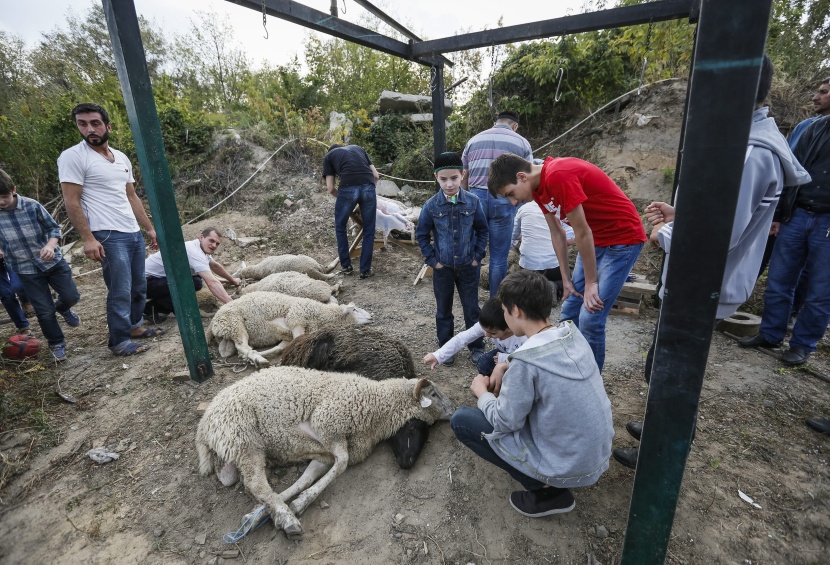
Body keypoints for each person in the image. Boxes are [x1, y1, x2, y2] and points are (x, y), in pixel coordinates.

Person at [615, 55, 811, 468]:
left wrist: (663, 233)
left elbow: (719, 234)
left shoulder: (750, 153)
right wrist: (679, 212)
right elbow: (722, 212)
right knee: (664, 365)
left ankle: (661, 453)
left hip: (704, 282)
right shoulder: (742, 141)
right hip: (701, 279)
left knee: (673, 372)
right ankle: (658, 430)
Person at [450, 270, 613, 517]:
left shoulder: (526, 362)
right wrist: (505, 364)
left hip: (569, 465)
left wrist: (482, 393)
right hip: (596, 456)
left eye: (504, 310)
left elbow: (505, 421)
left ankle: (546, 491)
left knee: (462, 420)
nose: (504, 315)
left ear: (515, 311)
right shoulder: (571, 334)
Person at [488, 153, 646, 371]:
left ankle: (590, 380)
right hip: (595, 240)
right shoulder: (539, 189)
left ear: (522, 176)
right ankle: (567, 367)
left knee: (591, 317)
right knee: (570, 308)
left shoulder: (558, 175)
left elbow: (582, 232)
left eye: (511, 194)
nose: (514, 202)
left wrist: (591, 283)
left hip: (621, 240)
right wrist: (566, 278)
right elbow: (558, 234)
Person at [58, 102, 161, 357]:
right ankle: (119, 340)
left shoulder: (121, 158)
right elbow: (71, 200)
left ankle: (135, 326)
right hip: (107, 234)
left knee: (139, 286)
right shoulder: (74, 156)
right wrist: (88, 238)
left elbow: (132, 196)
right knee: (120, 289)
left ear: (107, 126)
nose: (89, 129)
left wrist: (149, 229)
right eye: (82, 124)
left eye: (94, 123)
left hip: (131, 232)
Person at [738, 109, 830, 365]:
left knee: (821, 291)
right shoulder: (814, 128)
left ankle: (802, 345)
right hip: (798, 214)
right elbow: (790, 169)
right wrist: (778, 214)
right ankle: (770, 334)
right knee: (780, 279)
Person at [0, 168, 81, 362]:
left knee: (71, 296)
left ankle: (63, 307)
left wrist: (50, 245)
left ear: (13, 189)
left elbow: (54, 228)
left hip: (52, 262)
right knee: (43, 310)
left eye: (3, 196)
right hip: (25, 269)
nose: (0, 202)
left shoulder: (31, 206)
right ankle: (57, 343)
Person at [416, 152, 488, 366]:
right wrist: (432, 260)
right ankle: (446, 348)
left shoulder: (473, 202)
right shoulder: (431, 206)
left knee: (472, 308)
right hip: (443, 268)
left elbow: (483, 231)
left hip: (468, 267)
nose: (449, 184)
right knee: (443, 310)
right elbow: (421, 235)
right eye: (443, 179)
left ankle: (476, 346)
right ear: (436, 177)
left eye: (454, 178)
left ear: (462, 175)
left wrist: (477, 256)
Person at [462, 110, 534, 297]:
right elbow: (528, 178)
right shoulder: (521, 142)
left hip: (476, 198)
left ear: (496, 122)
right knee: (499, 258)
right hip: (504, 199)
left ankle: (471, 300)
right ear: (514, 125)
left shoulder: (474, 140)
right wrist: (517, 204)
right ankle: (496, 304)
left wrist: (467, 198)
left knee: (474, 254)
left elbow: (464, 175)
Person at [144, 227, 241, 323]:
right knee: (193, 282)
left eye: (217, 244)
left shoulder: (199, 246)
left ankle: (157, 306)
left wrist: (232, 280)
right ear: (201, 237)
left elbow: (214, 266)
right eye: (211, 241)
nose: (214, 245)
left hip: (154, 280)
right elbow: (211, 282)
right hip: (144, 283)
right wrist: (232, 305)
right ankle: (149, 309)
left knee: (195, 281)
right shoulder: (195, 252)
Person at [423, 297, 526, 374]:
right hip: (504, 354)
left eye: (493, 333)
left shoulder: (524, 336)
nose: (486, 334)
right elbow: (462, 338)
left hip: (522, 361)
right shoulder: (490, 325)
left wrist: (505, 359)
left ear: (508, 328)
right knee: (484, 362)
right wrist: (438, 355)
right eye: (484, 330)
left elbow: (530, 361)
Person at [322, 144, 379, 279]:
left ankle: (346, 267)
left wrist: (345, 199)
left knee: (340, 226)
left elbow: (330, 188)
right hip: (368, 187)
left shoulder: (329, 156)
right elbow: (376, 176)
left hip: (347, 188)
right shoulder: (358, 148)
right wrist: (369, 192)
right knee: (369, 229)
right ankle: (365, 270)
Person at [512, 201, 575, 302]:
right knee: (569, 281)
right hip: (554, 264)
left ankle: (533, 289)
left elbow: (513, 234)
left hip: (528, 265)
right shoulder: (557, 208)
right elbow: (570, 236)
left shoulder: (523, 209)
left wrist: (519, 239)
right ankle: (554, 286)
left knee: (524, 282)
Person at [0, 251, 34, 336]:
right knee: (5, 294)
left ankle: (26, 300)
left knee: (19, 286)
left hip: (9, 249)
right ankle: (23, 326)